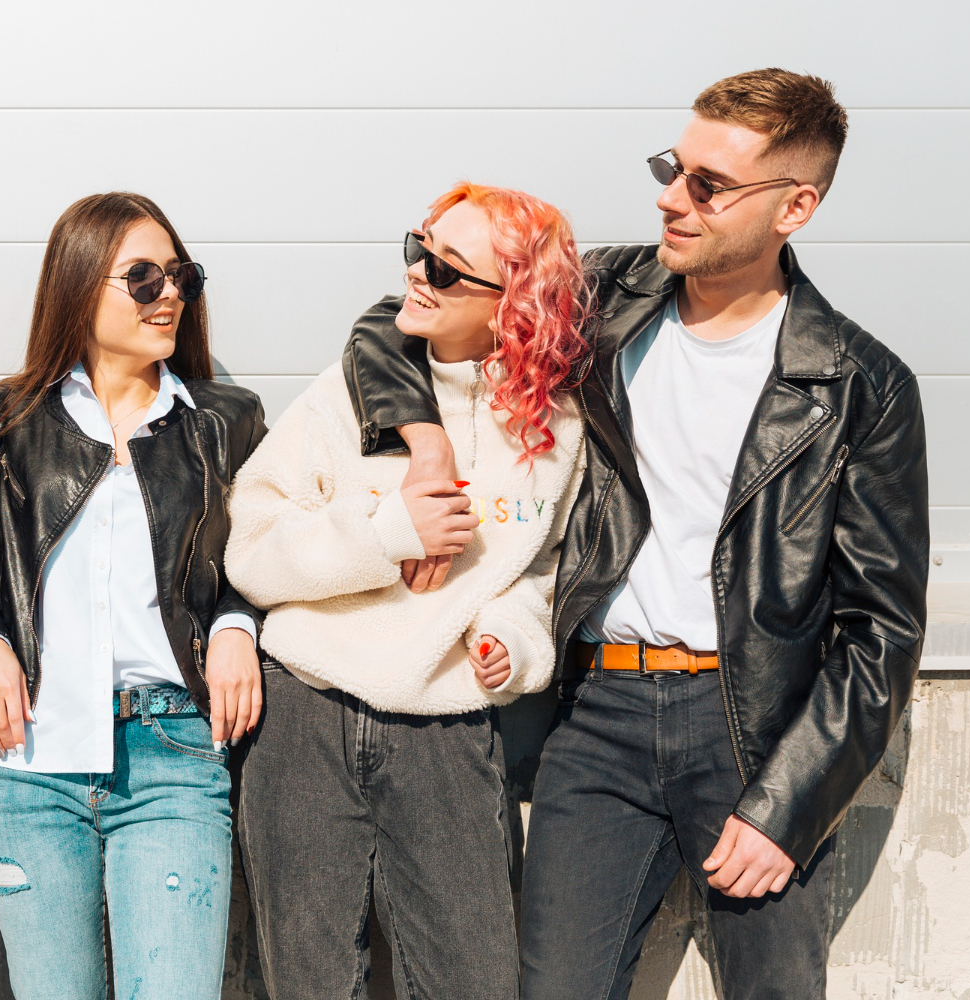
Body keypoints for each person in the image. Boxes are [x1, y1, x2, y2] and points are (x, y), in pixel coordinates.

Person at [343, 69, 928, 999]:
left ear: (797, 206)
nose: (671, 197)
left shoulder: (859, 384)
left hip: (756, 732)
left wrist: (791, 803)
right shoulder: (603, 296)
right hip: (599, 719)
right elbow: (399, 315)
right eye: (674, 166)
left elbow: (880, 628)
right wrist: (419, 441)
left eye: (709, 184)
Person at [225, 183, 591, 999]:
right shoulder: (342, 390)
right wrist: (385, 533)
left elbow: (540, 574)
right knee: (310, 983)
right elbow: (249, 546)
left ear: (516, 304)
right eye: (418, 249)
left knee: (476, 982)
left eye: (450, 269)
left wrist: (515, 642)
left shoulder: (553, 432)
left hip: (448, 728)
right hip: (302, 715)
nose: (418, 276)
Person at [0, 191, 266, 1000]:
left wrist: (235, 625)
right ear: (80, 286)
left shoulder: (224, 421)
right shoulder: (8, 419)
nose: (170, 296)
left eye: (181, 277)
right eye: (144, 278)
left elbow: (266, 558)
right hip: (29, 761)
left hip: (175, 758)